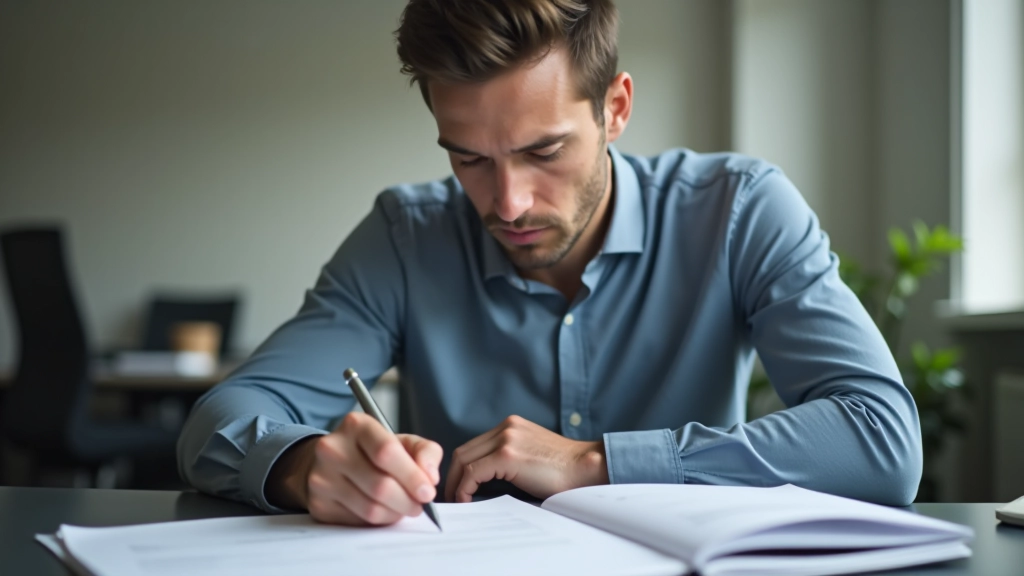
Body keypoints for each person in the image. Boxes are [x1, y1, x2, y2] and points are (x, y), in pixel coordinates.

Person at [177, 0, 922, 527]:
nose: (508, 203)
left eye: (544, 151)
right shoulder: (406, 237)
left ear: (615, 108)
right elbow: (219, 420)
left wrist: (595, 463)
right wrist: (306, 466)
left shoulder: (738, 209)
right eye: (469, 158)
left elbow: (881, 440)